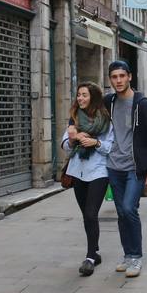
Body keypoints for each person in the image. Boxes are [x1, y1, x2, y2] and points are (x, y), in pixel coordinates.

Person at [104, 60, 147, 278]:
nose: (118, 80)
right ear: (110, 80)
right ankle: (127, 255)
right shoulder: (108, 102)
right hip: (113, 167)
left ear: (129, 77)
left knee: (129, 209)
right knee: (121, 213)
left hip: (135, 169)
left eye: (122, 76)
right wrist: (73, 128)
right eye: (114, 77)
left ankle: (136, 257)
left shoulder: (142, 104)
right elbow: (85, 111)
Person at [62, 82, 113, 276]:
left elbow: (111, 147)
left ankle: (90, 257)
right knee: (86, 215)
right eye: (78, 95)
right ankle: (96, 251)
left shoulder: (105, 120)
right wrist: (73, 139)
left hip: (99, 172)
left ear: (93, 97)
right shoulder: (74, 119)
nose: (80, 99)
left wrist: (96, 142)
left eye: (84, 95)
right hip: (78, 171)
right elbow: (65, 145)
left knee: (91, 213)